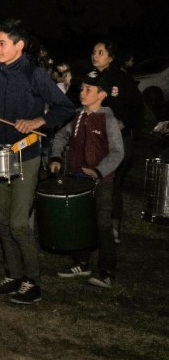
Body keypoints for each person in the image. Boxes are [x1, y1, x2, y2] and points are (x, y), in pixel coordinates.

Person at [0, 19, 75, 304]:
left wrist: (39, 120)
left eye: (2, 43)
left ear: (19, 45)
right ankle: (13, 275)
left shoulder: (35, 75)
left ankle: (32, 281)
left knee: (18, 223)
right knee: (1, 220)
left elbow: (66, 108)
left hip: (25, 155)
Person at [51, 73, 124, 288]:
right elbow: (61, 136)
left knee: (102, 225)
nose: (82, 93)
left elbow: (117, 152)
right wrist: (56, 157)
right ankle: (81, 262)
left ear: (101, 95)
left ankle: (107, 271)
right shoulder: (78, 115)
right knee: (80, 222)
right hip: (77, 178)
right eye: (81, 88)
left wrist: (99, 171)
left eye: (88, 89)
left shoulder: (108, 119)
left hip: (101, 182)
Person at [89, 40, 143, 244]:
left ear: (110, 57)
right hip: (96, 138)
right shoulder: (90, 77)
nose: (95, 55)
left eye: (100, 52)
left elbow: (137, 108)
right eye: (93, 51)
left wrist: (124, 122)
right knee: (96, 181)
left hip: (118, 140)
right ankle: (96, 226)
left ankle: (113, 227)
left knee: (112, 182)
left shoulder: (121, 78)